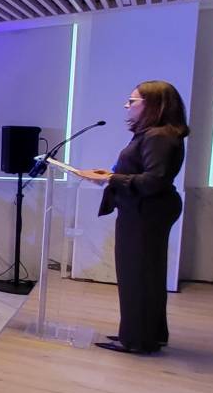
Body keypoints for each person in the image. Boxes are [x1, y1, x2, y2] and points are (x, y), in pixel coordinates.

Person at [77, 80, 189, 354]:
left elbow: (154, 180)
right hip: (145, 209)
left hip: (146, 211)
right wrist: (110, 176)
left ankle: (137, 340)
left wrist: (112, 178)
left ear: (153, 104)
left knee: (137, 275)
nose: (126, 105)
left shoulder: (159, 136)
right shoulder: (155, 133)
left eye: (132, 101)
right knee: (146, 273)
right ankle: (148, 334)